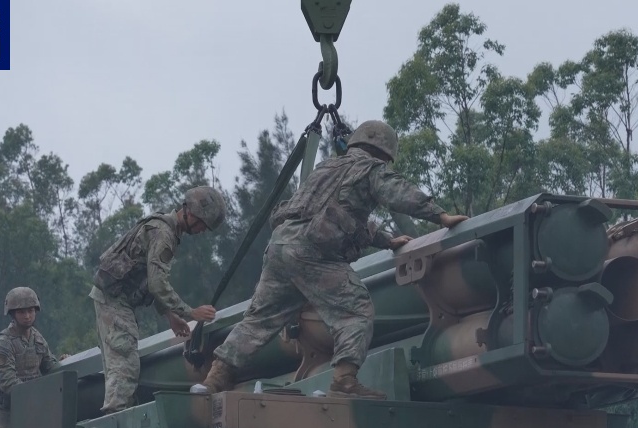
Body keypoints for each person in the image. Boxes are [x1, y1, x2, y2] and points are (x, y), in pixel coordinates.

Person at [198, 120, 468, 400]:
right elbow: (396, 192)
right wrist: (440, 215)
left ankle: (214, 380)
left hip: (280, 246)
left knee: (258, 320)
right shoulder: (370, 169)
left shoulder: (326, 168)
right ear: (385, 154)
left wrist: (386, 240)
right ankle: (344, 381)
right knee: (355, 309)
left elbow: (337, 214)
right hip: (312, 253)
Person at [90, 186, 226, 414]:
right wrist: (190, 313)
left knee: (122, 366)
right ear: (191, 214)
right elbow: (156, 284)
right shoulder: (164, 235)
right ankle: (115, 421)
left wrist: (170, 315)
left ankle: (119, 416)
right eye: (203, 224)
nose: (203, 231)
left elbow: (147, 278)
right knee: (124, 365)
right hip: (114, 300)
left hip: (115, 298)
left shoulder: (166, 229)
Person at [0, 287, 59, 428]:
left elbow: (50, 366)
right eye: (21, 312)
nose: (27, 316)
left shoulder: (37, 338)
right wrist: (36, 396)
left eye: (31, 311)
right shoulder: (3, 344)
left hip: (31, 410)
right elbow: (6, 382)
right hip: (4, 413)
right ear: (12, 314)